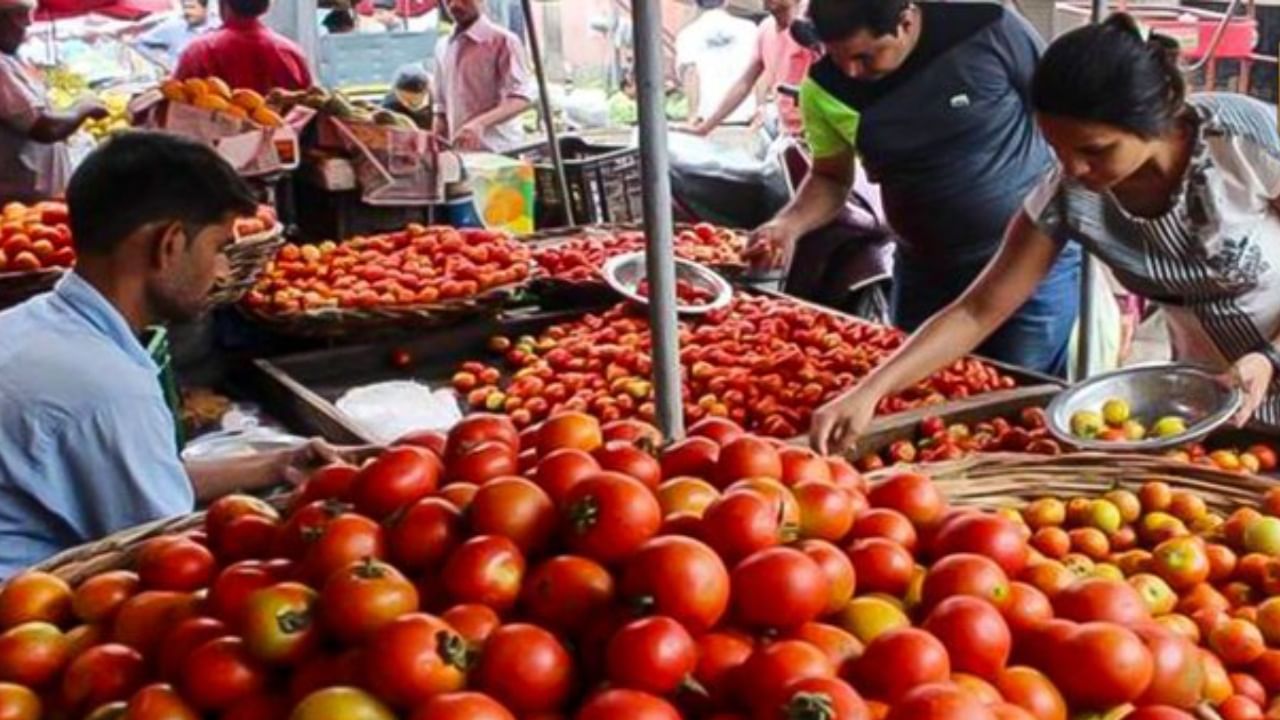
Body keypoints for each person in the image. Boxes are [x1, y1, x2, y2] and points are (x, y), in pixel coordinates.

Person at [811, 15, 1280, 453]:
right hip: (1210, 390)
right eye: (1056, 148)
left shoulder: (1240, 139)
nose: (1073, 167)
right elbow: (976, 310)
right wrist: (869, 391)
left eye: (1095, 149)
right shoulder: (1070, 196)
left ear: (1155, 118)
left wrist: (1269, 357)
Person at [0, 132, 347, 577]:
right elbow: (171, 558)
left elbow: (141, 477)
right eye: (219, 248)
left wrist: (277, 463)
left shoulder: (31, 323)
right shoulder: (106, 390)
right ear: (170, 244)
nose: (223, 270)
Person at [749, 0, 1081, 377]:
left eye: (864, 56)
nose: (851, 72)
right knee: (913, 392)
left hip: (1030, 268)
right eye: (837, 57)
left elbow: (1060, 113)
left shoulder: (989, 28)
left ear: (905, 21)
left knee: (1018, 393)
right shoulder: (824, 87)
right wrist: (787, 225)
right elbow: (830, 178)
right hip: (925, 273)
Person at [0, 0, 107, 203]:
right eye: (21, 16)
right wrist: (83, 107)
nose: (28, 25)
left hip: (32, 198)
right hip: (20, 200)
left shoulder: (9, 59)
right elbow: (46, 128)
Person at [690, 0, 819, 137]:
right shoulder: (765, 29)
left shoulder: (810, 28)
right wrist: (706, 127)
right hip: (788, 132)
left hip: (817, 130)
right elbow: (744, 84)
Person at [432, 0, 535, 151]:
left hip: (500, 151)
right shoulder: (442, 46)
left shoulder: (504, 41)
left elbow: (521, 98)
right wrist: (435, 139)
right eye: (448, 0)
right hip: (460, 152)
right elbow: (441, 106)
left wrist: (479, 123)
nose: (454, 5)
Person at [174, 0, 312, 94]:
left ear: (223, 3)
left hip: (208, 137)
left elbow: (175, 106)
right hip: (282, 137)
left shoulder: (198, 51)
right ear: (266, 7)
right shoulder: (290, 52)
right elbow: (308, 107)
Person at [676, 0, 758, 126]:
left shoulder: (687, 35)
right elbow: (760, 71)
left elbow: (691, 74)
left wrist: (692, 115)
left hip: (707, 121)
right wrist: (760, 105)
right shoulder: (749, 29)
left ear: (696, 3)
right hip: (746, 117)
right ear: (726, 2)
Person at [136, 0, 217, 69]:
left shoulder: (219, 27)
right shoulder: (173, 27)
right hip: (182, 82)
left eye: (191, 7)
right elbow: (140, 42)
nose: (187, 12)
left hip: (215, 83)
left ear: (205, 9)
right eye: (185, 8)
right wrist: (164, 62)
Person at [382, 63, 433, 128]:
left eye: (412, 101)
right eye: (402, 98)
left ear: (425, 92)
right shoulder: (390, 105)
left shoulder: (441, 101)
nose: (405, 104)